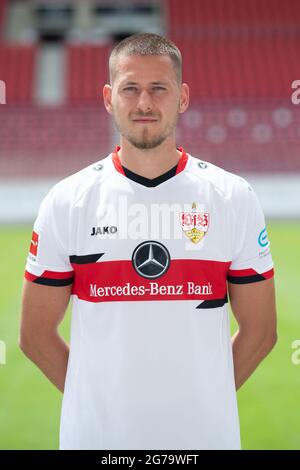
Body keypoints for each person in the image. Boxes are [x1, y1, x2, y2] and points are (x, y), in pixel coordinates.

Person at [20, 33, 277, 450]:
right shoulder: (67, 201)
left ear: (183, 97)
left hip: (203, 443)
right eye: (130, 89)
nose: (144, 104)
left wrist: (202, 403)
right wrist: (101, 405)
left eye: (159, 89)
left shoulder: (232, 196)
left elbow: (261, 332)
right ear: (108, 97)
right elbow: (34, 335)